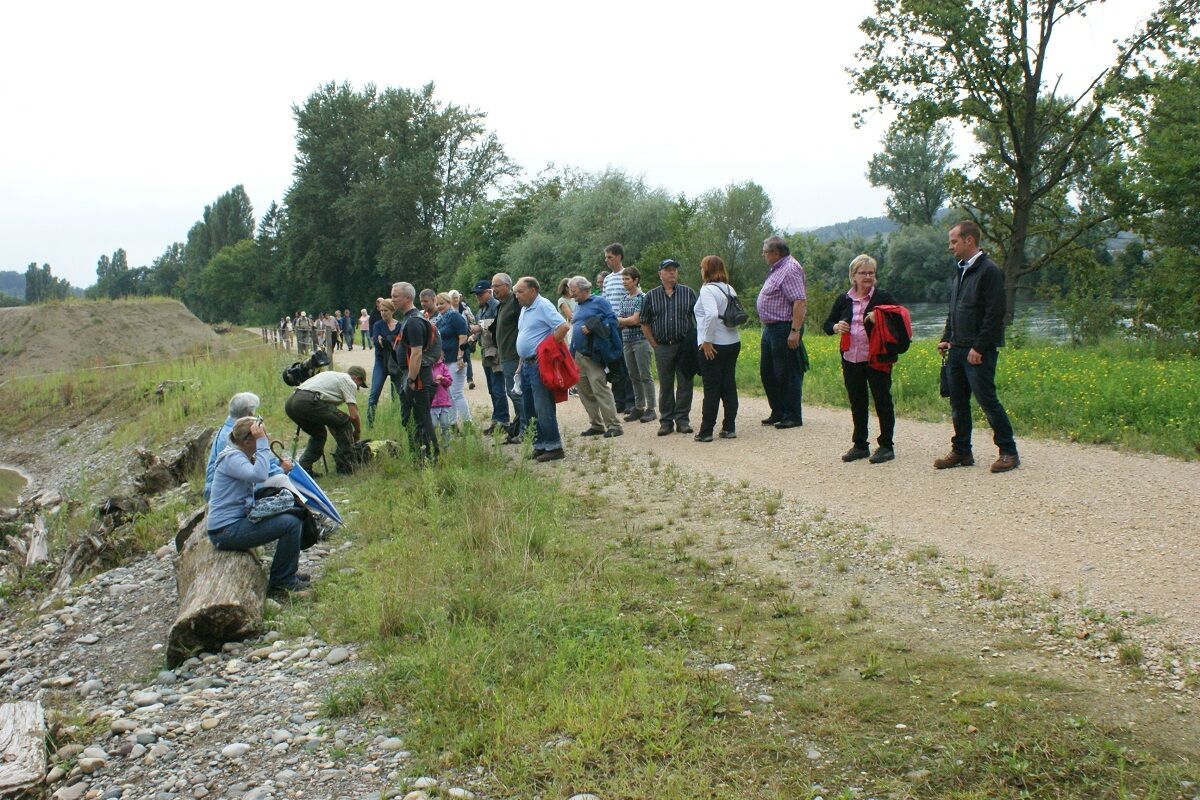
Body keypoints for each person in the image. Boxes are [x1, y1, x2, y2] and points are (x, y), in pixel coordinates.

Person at [937, 220, 1020, 472]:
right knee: (958, 403)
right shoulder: (960, 270)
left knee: (987, 401)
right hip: (957, 348)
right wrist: (946, 337)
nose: (950, 246)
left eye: (954, 241)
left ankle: (1008, 452)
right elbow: (954, 309)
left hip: (978, 352)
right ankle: (962, 451)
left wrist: (980, 347)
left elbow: (995, 314)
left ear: (969, 240)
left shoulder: (989, 271)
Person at [207, 416, 306, 595]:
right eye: (262, 435)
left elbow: (260, 477)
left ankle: (286, 572)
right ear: (247, 441)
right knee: (291, 523)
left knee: (292, 515)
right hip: (225, 531)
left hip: (230, 525)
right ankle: (282, 580)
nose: (266, 438)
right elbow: (260, 475)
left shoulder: (238, 455)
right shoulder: (232, 458)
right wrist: (262, 444)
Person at [823, 255, 898, 464]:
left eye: (871, 273)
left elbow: (900, 317)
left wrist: (880, 316)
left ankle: (886, 446)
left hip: (877, 358)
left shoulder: (882, 296)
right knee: (857, 401)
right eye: (863, 273)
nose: (868, 277)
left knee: (882, 400)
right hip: (851, 357)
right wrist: (836, 326)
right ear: (853, 275)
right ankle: (860, 445)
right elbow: (827, 324)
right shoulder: (844, 299)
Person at [514, 276, 571, 462]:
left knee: (543, 406)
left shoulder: (543, 305)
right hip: (527, 364)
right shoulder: (525, 308)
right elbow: (525, 335)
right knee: (530, 406)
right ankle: (540, 445)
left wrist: (546, 348)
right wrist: (520, 365)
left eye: (520, 291)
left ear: (533, 290)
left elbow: (563, 326)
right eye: (516, 292)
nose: (517, 295)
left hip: (539, 364)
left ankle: (554, 446)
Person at [640, 258, 697, 435]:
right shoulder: (651, 296)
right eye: (668, 269)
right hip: (663, 346)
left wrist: (696, 341)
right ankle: (666, 422)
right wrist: (654, 344)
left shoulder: (688, 293)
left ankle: (682, 421)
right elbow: (644, 322)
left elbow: (699, 317)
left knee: (685, 383)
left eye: (674, 269)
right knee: (665, 385)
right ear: (660, 274)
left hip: (684, 345)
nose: (672, 272)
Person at [757, 236, 809, 429]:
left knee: (786, 373)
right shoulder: (778, 269)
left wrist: (795, 331)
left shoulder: (790, 269)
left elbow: (799, 301)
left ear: (776, 253)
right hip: (771, 328)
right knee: (768, 372)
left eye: (765, 252)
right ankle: (778, 411)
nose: (763, 255)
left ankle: (792, 415)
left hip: (784, 326)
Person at [284, 365, 367, 475]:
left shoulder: (332, 377)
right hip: (308, 401)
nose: (358, 388)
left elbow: (331, 420)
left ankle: (305, 469)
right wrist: (357, 432)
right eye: (359, 385)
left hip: (291, 402)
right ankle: (346, 467)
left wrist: (343, 441)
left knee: (319, 435)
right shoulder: (349, 381)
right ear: (356, 378)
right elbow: (354, 416)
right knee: (345, 422)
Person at [390, 281, 440, 462]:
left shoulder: (413, 322)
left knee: (422, 419)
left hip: (418, 378)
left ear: (407, 298)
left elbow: (417, 353)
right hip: (413, 376)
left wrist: (411, 380)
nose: (392, 299)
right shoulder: (410, 319)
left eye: (395, 296)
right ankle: (418, 457)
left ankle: (430, 458)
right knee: (413, 419)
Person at [568, 276, 623, 438]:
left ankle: (614, 425)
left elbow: (612, 321)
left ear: (584, 289)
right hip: (579, 354)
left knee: (600, 389)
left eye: (574, 291)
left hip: (594, 355)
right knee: (584, 391)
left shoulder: (600, 302)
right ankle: (596, 425)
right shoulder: (578, 306)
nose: (571, 294)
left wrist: (592, 325)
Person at [694, 255, 741, 442]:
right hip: (732, 342)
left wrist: (707, 340)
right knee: (729, 385)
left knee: (711, 388)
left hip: (714, 344)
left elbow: (712, 314)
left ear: (707, 269)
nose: (700, 270)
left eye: (702, 267)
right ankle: (729, 427)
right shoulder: (729, 288)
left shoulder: (707, 289)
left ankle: (706, 431)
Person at [203, 392, 283, 500]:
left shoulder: (229, 429)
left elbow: (255, 462)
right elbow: (258, 475)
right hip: (224, 494)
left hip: (220, 489)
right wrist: (281, 469)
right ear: (249, 413)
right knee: (281, 480)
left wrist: (277, 463)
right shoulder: (235, 437)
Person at [617, 266, 656, 423]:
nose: (624, 282)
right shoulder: (624, 299)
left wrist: (623, 320)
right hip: (626, 340)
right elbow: (623, 321)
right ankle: (639, 407)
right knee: (633, 375)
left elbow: (636, 320)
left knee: (645, 374)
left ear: (636, 280)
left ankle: (651, 408)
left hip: (641, 340)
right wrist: (625, 321)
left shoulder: (642, 297)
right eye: (623, 279)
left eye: (627, 279)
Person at [601, 244, 636, 413]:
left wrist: (624, 320)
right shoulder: (607, 279)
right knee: (614, 365)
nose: (607, 260)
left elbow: (633, 297)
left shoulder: (627, 276)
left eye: (610, 257)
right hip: (610, 328)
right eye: (606, 257)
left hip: (624, 326)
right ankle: (619, 400)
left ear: (619, 256)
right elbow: (604, 301)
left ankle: (630, 401)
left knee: (626, 364)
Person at [469, 279, 507, 434]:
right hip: (486, 352)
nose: (478, 296)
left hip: (496, 352)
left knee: (498, 388)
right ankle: (496, 420)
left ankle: (503, 421)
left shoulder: (496, 306)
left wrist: (480, 327)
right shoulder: (481, 309)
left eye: (480, 293)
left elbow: (498, 325)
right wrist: (473, 338)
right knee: (492, 389)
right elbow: (480, 331)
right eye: (476, 294)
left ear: (489, 292)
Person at [492, 272, 525, 443]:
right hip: (505, 355)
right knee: (512, 393)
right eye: (492, 286)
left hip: (514, 356)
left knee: (517, 393)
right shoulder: (502, 305)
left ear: (507, 286)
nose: (493, 289)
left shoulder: (515, 302)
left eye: (496, 285)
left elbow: (523, 326)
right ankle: (519, 427)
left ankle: (526, 430)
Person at [434, 292, 471, 426]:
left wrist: (460, 356)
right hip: (446, 360)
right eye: (437, 304)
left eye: (442, 303)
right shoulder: (441, 320)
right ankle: (452, 423)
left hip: (457, 359)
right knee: (448, 393)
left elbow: (463, 337)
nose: (439, 306)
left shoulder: (455, 317)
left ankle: (468, 423)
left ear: (449, 303)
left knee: (456, 393)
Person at [368, 298, 402, 427]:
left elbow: (400, 344)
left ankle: (396, 423)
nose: (383, 313)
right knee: (374, 393)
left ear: (392, 311)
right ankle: (370, 423)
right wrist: (391, 340)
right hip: (381, 363)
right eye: (381, 310)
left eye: (385, 310)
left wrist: (387, 340)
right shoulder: (378, 325)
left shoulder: (400, 326)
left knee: (397, 396)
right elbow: (377, 343)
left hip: (396, 363)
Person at [451, 290, 477, 389]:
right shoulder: (448, 309)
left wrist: (468, 315)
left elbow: (473, 320)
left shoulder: (465, 308)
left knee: (466, 356)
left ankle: (470, 380)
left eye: (457, 297)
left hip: (465, 335)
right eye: (453, 298)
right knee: (454, 357)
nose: (456, 299)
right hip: (453, 337)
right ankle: (454, 379)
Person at [429, 354, 456, 442]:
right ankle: (432, 443)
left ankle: (446, 445)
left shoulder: (443, 367)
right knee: (433, 425)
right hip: (431, 403)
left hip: (443, 402)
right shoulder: (426, 367)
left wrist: (442, 378)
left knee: (445, 424)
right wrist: (432, 381)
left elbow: (449, 382)